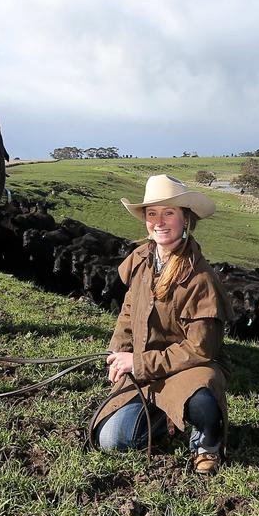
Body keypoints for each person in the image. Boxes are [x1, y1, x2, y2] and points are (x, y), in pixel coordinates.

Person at [91, 174, 233, 475]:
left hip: (189, 367)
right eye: (152, 213)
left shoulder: (201, 278)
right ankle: (168, 416)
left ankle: (206, 440)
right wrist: (119, 354)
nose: (159, 221)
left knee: (203, 401)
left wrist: (139, 362)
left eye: (169, 212)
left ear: (185, 219)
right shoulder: (141, 260)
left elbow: (201, 348)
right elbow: (128, 313)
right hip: (144, 368)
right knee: (112, 439)